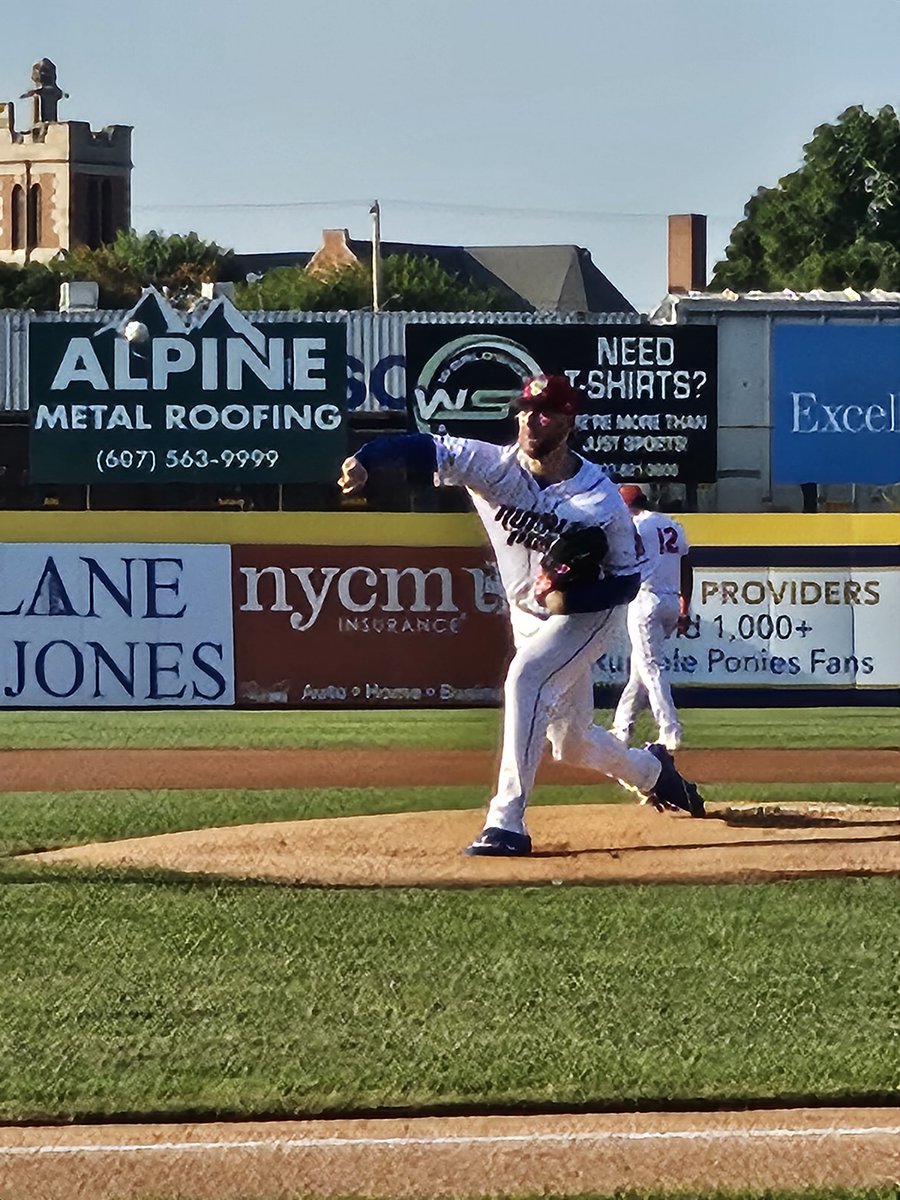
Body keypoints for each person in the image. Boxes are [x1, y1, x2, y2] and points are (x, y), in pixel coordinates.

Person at [338, 374, 704, 857]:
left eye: (546, 411)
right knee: (570, 744)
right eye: (525, 409)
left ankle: (506, 821)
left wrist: (569, 599)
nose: (531, 418)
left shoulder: (598, 499)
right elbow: (424, 446)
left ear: (569, 421)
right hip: (527, 615)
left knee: (524, 678)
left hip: (589, 614)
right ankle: (654, 772)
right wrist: (367, 460)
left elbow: (626, 581)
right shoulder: (493, 467)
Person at [611, 484, 692, 751]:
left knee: (651, 668)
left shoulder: (635, 526)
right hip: (670, 600)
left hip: (645, 600)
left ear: (626, 506)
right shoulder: (672, 524)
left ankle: (670, 730)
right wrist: (684, 606)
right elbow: (686, 566)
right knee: (640, 670)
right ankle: (622, 727)